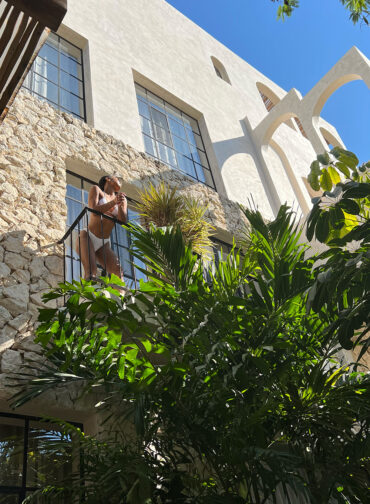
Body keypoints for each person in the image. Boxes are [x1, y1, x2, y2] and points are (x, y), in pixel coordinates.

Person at [76, 175, 127, 281]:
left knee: (118, 273)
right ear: (108, 179)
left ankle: (121, 297)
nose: (120, 179)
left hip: (104, 242)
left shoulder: (121, 199)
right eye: (117, 177)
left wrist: (121, 205)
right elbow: (93, 210)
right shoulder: (97, 189)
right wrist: (113, 202)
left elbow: (122, 221)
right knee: (91, 271)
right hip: (88, 235)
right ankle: (86, 294)